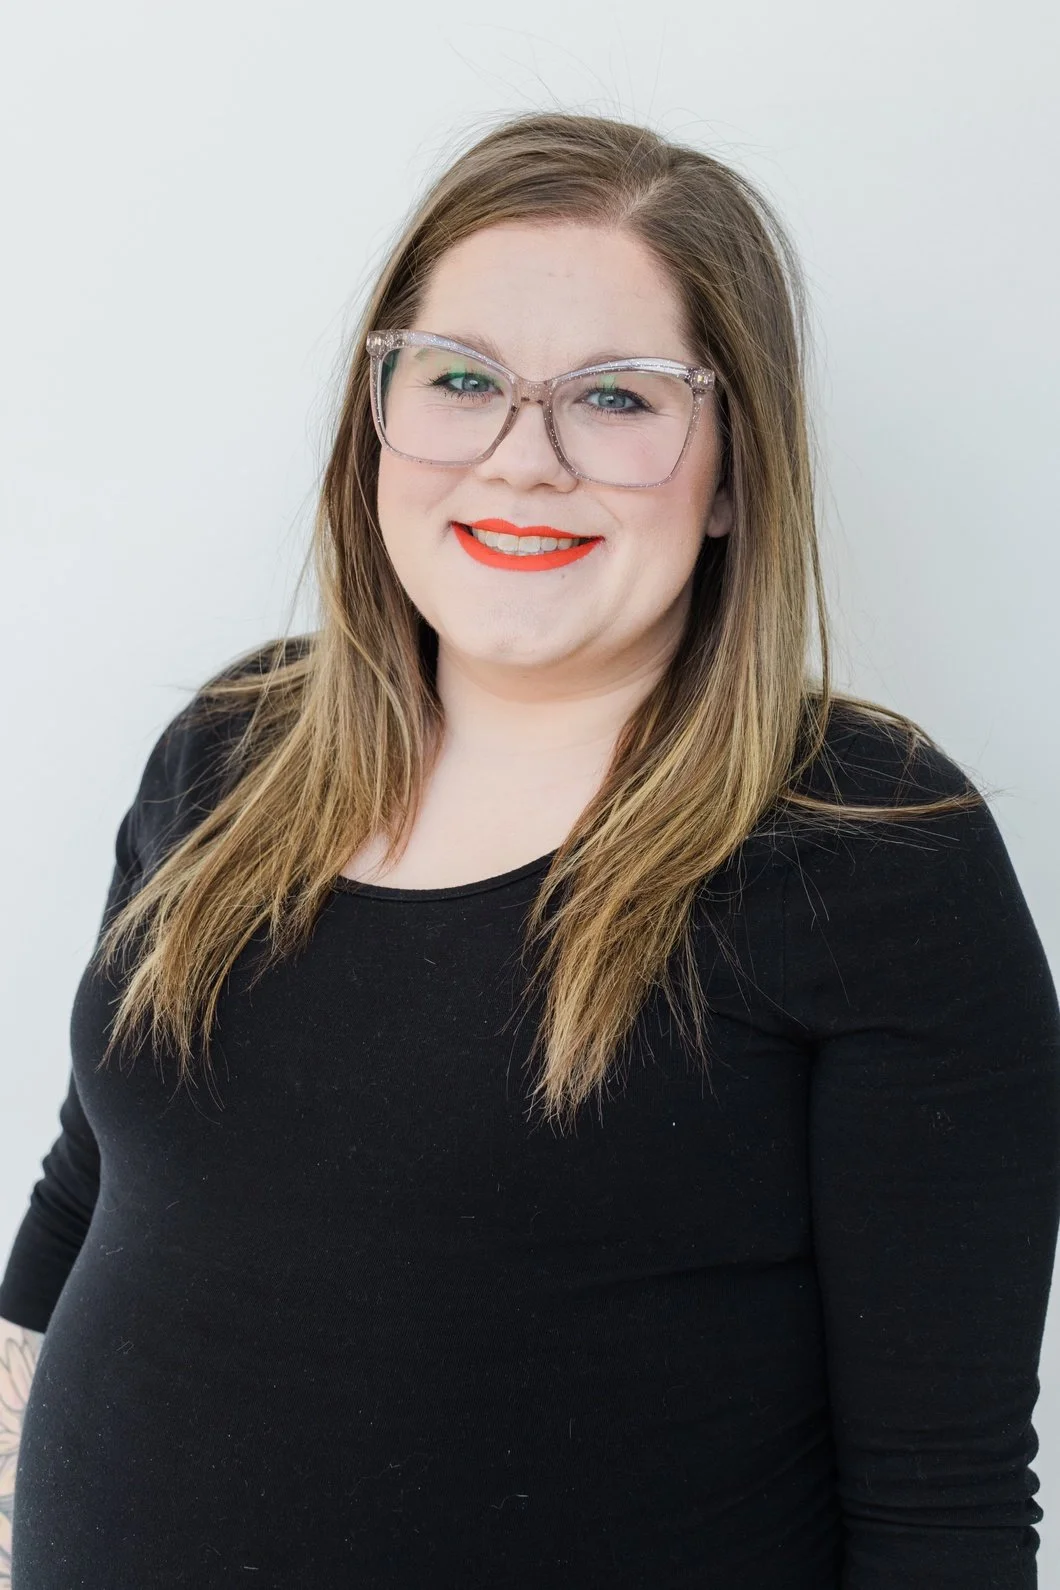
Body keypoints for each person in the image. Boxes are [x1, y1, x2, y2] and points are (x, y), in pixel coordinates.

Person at [1, 109, 1057, 1590]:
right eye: (462, 379)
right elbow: (92, 1191)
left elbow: (941, 1504)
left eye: (617, 399)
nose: (523, 457)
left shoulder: (868, 850)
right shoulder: (233, 750)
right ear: (381, 414)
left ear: (737, 473)